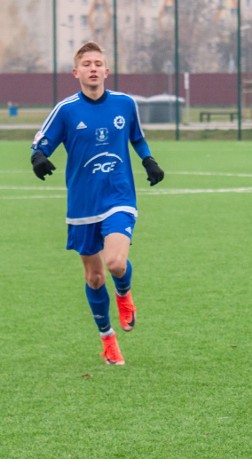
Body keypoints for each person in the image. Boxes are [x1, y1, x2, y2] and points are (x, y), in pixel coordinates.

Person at [29, 41, 164, 365]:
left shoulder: (124, 104)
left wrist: (148, 160)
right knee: (94, 277)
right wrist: (38, 157)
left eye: (98, 63)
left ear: (106, 70)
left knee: (116, 264)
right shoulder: (66, 110)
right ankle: (107, 339)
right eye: (86, 63)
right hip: (82, 203)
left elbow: (137, 137)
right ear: (76, 72)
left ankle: (124, 295)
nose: (92, 68)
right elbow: (41, 141)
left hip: (118, 195)